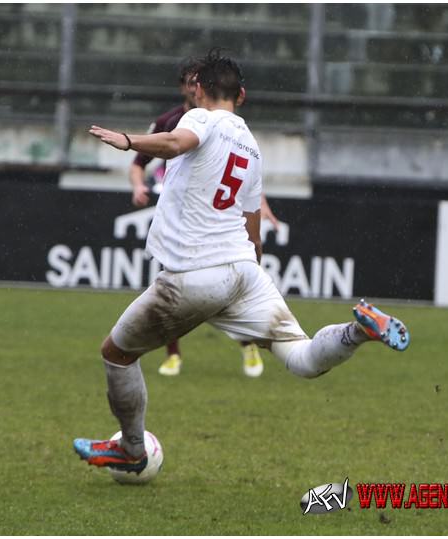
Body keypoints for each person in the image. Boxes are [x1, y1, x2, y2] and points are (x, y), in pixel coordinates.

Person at [74, 49, 410, 474]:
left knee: (116, 355)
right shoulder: (251, 147)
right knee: (302, 358)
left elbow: (178, 143)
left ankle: (133, 450)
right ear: (243, 95)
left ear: (197, 90)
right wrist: (255, 276)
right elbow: (252, 227)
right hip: (243, 271)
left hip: (193, 276)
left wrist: (128, 141)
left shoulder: (200, 117)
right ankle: (356, 331)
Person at [129, 57, 274, 378]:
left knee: (182, 294)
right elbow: (142, 162)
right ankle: (174, 354)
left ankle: (246, 344)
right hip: (183, 215)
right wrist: (139, 185)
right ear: (186, 86)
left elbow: (240, 179)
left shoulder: (213, 124)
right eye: (189, 81)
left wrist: (124, 140)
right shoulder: (173, 120)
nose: (194, 87)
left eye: (198, 81)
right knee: (184, 288)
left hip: (210, 223)